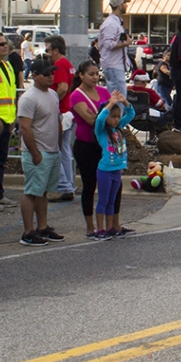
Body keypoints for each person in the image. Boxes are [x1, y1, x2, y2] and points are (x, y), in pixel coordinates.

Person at [70, 60, 130, 239]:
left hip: (106, 146)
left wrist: (114, 107)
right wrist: (108, 108)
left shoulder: (103, 92)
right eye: (91, 74)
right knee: (90, 184)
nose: (95, 77)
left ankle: (114, 224)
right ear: (81, 75)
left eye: (97, 74)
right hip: (87, 144)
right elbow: (91, 120)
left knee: (115, 186)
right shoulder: (76, 95)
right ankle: (91, 227)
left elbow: (115, 114)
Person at [15, 58, 65, 246]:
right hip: (38, 152)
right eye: (46, 74)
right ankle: (28, 232)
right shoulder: (29, 98)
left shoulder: (52, 94)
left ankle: (42, 227)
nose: (51, 77)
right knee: (31, 191)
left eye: (52, 73)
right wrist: (35, 153)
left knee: (43, 191)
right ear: (34, 76)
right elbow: (25, 128)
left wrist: (58, 144)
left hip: (52, 150)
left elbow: (57, 120)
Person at [92, 92, 136, 240]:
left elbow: (131, 114)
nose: (116, 120)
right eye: (113, 116)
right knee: (103, 200)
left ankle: (110, 227)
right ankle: (100, 229)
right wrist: (110, 103)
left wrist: (124, 102)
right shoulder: (101, 130)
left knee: (112, 200)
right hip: (105, 170)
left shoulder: (118, 129)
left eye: (118, 116)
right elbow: (100, 118)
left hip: (117, 170)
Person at [0, 32, 18, 212]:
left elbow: (10, 93)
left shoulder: (6, 65)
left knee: (0, 159)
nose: (5, 46)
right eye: (0, 44)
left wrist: (12, 118)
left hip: (6, 120)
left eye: (5, 44)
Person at [45, 35, 76, 202]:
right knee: (64, 149)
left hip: (61, 112)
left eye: (48, 50)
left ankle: (64, 185)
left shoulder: (59, 65)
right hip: (66, 112)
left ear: (56, 50)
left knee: (57, 149)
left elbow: (62, 87)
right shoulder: (68, 64)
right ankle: (68, 184)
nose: (47, 53)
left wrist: (51, 103)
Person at [98, 0, 134, 99]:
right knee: (119, 97)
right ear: (119, 5)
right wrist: (126, 43)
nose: (126, 6)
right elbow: (108, 44)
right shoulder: (111, 24)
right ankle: (116, 116)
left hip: (115, 64)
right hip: (113, 64)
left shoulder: (116, 22)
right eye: (124, 3)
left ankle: (116, 115)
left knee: (117, 96)